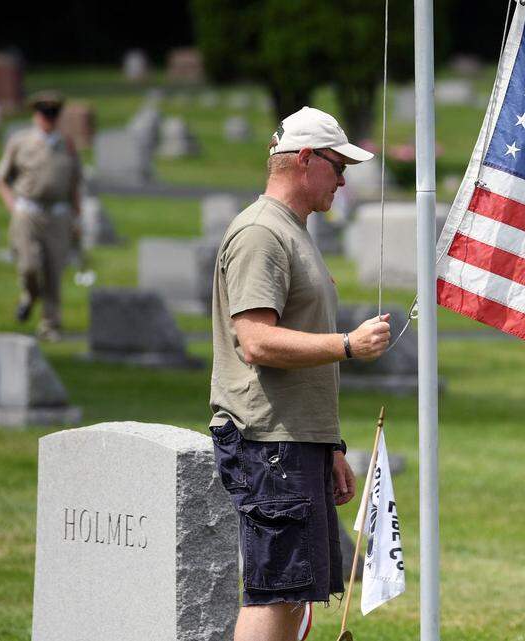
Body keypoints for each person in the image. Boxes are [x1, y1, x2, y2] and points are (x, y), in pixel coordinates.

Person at [208, 106, 391, 641]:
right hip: (268, 441)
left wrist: (329, 444)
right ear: (305, 160)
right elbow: (256, 340)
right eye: (338, 166)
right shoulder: (262, 234)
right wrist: (348, 345)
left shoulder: (292, 230)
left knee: (293, 593)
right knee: (276, 591)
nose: (342, 179)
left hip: (295, 441)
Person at [0, 91, 82, 341]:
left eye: (53, 114)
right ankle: (30, 296)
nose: (49, 119)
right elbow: (1, 178)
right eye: (45, 113)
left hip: (58, 214)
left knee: (54, 271)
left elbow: (75, 182)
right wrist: (14, 207)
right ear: (36, 115)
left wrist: (77, 217)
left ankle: (50, 324)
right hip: (28, 211)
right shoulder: (20, 141)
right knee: (29, 266)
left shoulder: (67, 144)